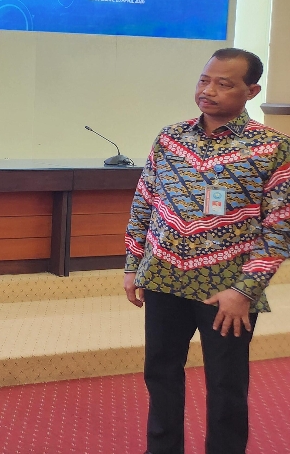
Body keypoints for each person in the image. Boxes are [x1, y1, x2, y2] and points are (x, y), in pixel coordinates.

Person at [124, 48, 289, 454]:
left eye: (223, 84)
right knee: (160, 375)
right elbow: (144, 201)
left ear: (252, 91)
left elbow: (280, 227)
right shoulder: (170, 137)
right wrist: (133, 264)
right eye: (204, 80)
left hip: (227, 291)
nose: (208, 90)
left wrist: (245, 291)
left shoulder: (273, 147)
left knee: (226, 385)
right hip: (163, 278)